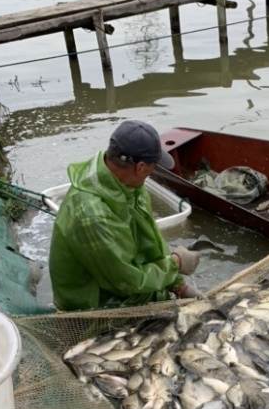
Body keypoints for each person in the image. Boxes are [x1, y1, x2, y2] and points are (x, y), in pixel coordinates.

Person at [49, 119, 201, 311]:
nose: (151, 174)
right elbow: (127, 283)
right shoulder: (92, 214)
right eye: (152, 168)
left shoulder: (131, 186)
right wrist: (175, 264)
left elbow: (150, 243)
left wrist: (177, 284)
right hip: (94, 307)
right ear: (140, 168)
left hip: (121, 280)